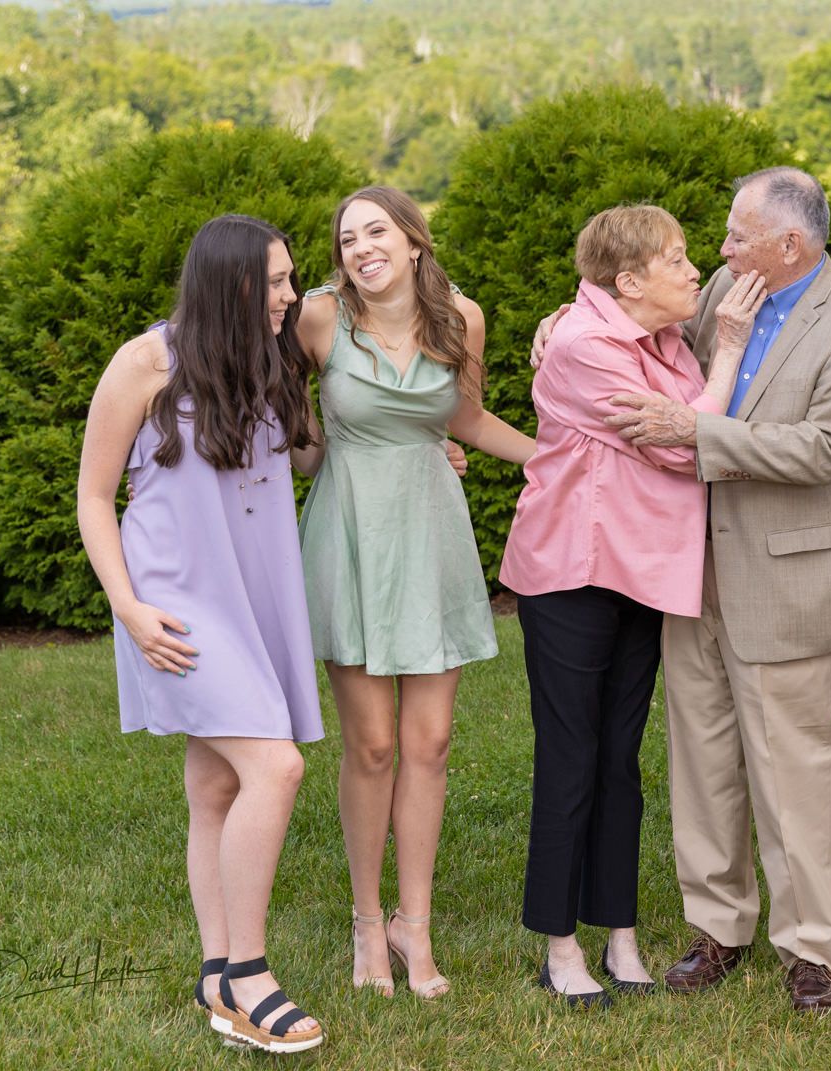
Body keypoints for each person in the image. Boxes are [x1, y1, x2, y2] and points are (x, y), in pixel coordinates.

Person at [595, 168, 831, 1012]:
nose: (720, 250)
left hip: (790, 569)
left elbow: (825, 447)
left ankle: (812, 949)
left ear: (789, 244)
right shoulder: (731, 286)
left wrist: (703, 433)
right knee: (701, 758)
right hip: (691, 565)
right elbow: (633, 325)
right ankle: (718, 927)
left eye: (736, 234)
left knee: (791, 765)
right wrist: (558, 327)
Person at [500, 204, 765, 1007]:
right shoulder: (584, 347)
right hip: (570, 574)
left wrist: (706, 365)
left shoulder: (658, 339)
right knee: (572, 756)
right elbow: (690, 443)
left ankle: (618, 933)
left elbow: (692, 426)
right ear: (629, 280)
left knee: (620, 759)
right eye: (678, 259)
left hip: (642, 572)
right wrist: (734, 347)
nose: (695, 272)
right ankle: (557, 944)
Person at [78, 214, 325, 1054]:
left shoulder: (272, 358)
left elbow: (303, 457)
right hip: (175, 606)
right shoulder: (144, 361)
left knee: (217, 787)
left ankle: (216, 972)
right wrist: (128, 608)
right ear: (231, 282)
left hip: (255, 598)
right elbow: (92, 496)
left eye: (293, 281)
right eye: (279, 282)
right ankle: (252, 973)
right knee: (276, 764)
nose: (291, 296)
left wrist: (410, 445)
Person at [295, 185, 534, 1000]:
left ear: (412, 242)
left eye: (376, 232)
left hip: (433, 532)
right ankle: (367, 921)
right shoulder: (318, 318)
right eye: (348, 237)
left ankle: (414, 924)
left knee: (430, 744)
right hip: (352, 533)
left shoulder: (460, 319)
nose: (361, 247)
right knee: (371, 745)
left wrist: (560, 458)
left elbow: (466, 418)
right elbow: (294, 433)